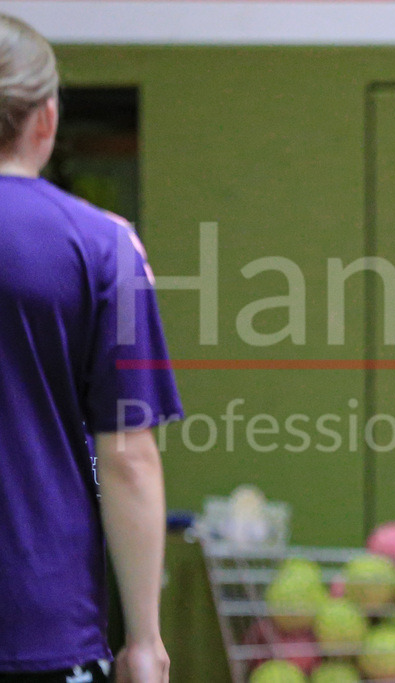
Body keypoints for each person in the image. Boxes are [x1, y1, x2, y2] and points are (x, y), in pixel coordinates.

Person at [0, 14, 182, 683]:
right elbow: (129, 456)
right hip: (43, 622)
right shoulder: (104, 247)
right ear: (45, 119)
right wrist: (144, 639)